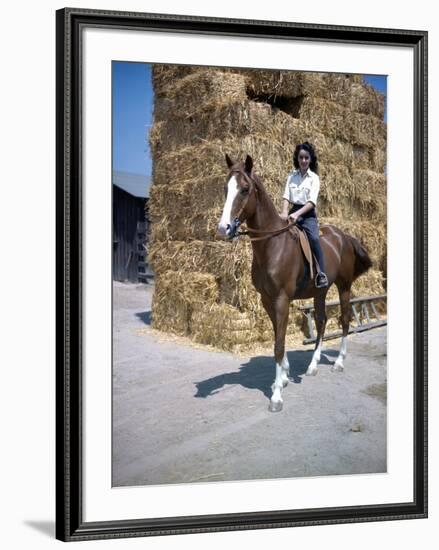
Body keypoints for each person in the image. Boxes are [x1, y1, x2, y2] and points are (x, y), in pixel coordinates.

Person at [280, 142, 329, 288]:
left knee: (314, 238)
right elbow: (286, 196)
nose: (303, 160)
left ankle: (321, 273)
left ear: (310, 159)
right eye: (301, 157)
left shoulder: (314, 178)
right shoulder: (291, 176)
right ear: (297, 158)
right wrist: (284, 212)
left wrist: (297, 214)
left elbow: (311, 202)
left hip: (307, 214)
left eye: (306, 158)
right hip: (292, 211)